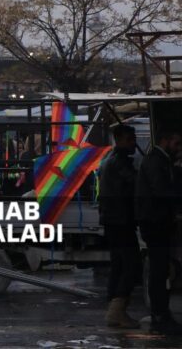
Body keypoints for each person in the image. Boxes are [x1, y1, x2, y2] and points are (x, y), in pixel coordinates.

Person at [135, 129, 182, 334]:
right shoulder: (155, 161)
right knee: (159, 270)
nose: (178, 148)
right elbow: (161, 190)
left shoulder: (158, 160)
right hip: (155, 223)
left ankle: (161, 313)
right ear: (165, 140)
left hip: (156, 222)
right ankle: (160, 314)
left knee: (161, 269)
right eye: (176, 143)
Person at [99, 124, 141, 328]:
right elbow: (136, 184)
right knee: (131, 265)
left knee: (118, 265)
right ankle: (117, 310)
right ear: (120, 140)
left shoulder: (107, 161)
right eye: (130, 139)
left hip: (112, 220)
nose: (134, 144)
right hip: (121, 220)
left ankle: (114, 309)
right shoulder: (119, 163)